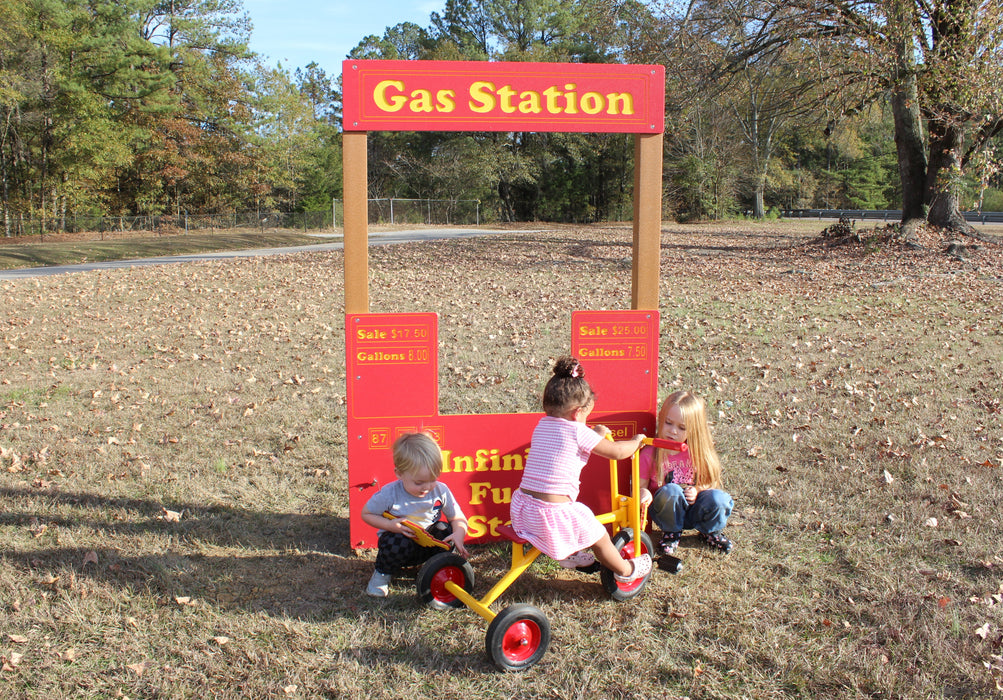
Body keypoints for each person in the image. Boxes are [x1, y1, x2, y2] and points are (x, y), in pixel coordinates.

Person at [510, 356, 653, 583]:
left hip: (524, 511)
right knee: (599, 536)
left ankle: (569, 554)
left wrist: (594, 434)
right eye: (586, 416)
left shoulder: (542, 426)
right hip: (553, 516)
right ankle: (626, 571)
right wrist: (636, 442)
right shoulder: (578, 431)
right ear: (577, 413)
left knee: (574, 515)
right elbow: (616, 452)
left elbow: (569, 444)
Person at [361, 432, 470, 597]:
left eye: (432, 479)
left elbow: (457, 518)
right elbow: (367, 513)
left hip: (428, 544)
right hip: (401, 545)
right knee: (395, 541)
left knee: (444, 529)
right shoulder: (390, 493)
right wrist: (390, 526)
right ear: (399, 473)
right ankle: (382, 575)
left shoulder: (441, 490)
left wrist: (459, 534)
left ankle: (436, 568)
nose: (426, 487)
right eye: (419, 483)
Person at [639, 390, 734, 555]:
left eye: (682, 427)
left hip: (694, 510)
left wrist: (697, 490)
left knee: (720, 498)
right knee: (672, 490)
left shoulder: (697, 452)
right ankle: (671, 533)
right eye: (668, 423)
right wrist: (643, 494)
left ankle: (710, 532)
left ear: (694, 430)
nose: (673, 431)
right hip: (666, 511)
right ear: (661, 420)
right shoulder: (650, 453)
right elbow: (640, 487)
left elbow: (710, 481)